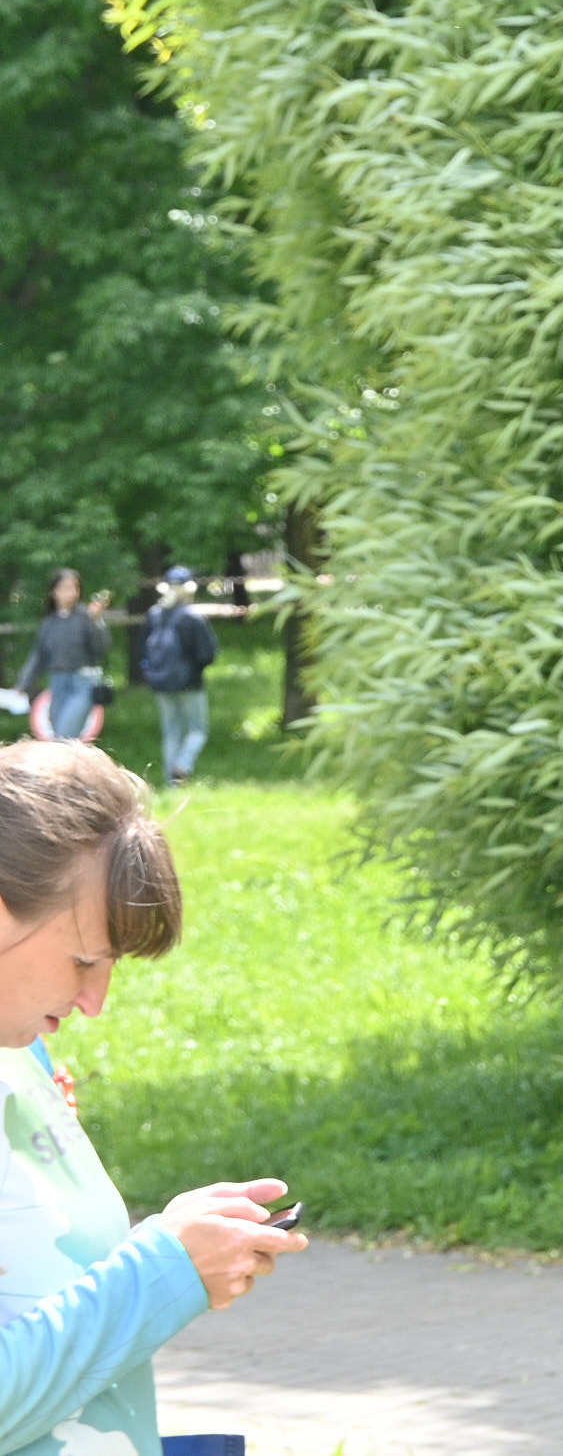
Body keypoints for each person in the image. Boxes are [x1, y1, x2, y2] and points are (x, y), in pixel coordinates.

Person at [0, 739, 307, 1456]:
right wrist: (165, 1272)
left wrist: (178, 1252)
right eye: (82, 959)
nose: (94, 1000)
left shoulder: (23, 1054)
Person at [138, 568, 221, 787]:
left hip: (161, 682)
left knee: (171, 732)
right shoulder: (193, 617)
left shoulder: (154, 615)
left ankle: (171, 784)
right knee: (197, 730)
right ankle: (183, 766)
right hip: (189, 683)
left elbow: (142, 650)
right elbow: (207, 654)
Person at [9, 573, 111, 746]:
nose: (71, 592)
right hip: (57, 683)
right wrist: (22, 684)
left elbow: (102, 647)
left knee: (65, 737)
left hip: (83, 683)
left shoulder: (87, 617)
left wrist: (96, 621)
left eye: (75, 587)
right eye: (65, 587)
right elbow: (39, 657)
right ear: (53, 592)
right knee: (59, 737)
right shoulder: (49, 622)